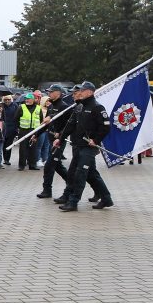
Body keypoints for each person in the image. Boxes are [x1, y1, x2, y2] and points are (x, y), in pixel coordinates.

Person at [57, 81, 114, 211]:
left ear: (89, 92)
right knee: (90, 174)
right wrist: (60, 139)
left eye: (82, 91)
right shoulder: (79, 107)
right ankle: (106, 199)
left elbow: (105, 127)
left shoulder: (97, 107)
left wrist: (96, 140)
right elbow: (70, 125)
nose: (79, 93)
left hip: (89, 147)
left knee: (80, 174)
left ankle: (73, 202)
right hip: (78, 145)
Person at [37, 85, 72, 198]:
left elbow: (68, 125)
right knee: (57, 166)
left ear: (58, 93)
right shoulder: (51, 106)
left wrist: (60, 135)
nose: (49, 94)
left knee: (49, 166)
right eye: (49, 92)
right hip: (50, 138)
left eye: (51, 92)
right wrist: (36, 135)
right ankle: (72, 183)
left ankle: (47, 190)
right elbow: (46, 124)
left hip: (59, 141)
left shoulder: (64, 107)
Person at [16, 93, 43, 171]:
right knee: (23, 148)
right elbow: (16, 119)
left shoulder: (38, 108)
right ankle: (21, 165)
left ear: (33, 100)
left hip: (34, 130)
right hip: (23, 130)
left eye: (28, 98)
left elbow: (41, 119)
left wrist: (38, 131)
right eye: (26, 99)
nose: (27, 100)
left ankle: (32, 165)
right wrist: (19, 128)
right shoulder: (21, 107)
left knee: (33, 148)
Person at [1, 95, 20, 165]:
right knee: (4, 144)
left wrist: (17, 128)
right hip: (5, 128)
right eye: (5, 100)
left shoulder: (15, 106)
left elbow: (18, 117)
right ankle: (5, 159)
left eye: (8, 99)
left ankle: (7, 159)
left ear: (11, 99)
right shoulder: (3, 107)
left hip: (12, 128)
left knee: (9, 144)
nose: (7, 101)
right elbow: (2, 118)